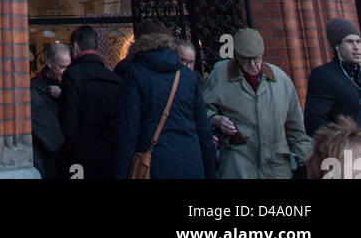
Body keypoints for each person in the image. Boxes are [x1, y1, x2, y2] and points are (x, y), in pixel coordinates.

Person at [203, 27, 311, 179]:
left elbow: (296, 129)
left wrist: (305, 163)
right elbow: (202, 110)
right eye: (246, 59)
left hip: (277, 168)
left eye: (257, 58)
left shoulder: (281, 80)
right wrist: (215, 120)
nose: (253, 64)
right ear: (237, 56)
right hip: (238, 165)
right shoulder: (220, 76)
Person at [114, 26, 217, 179]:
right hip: (191, 163)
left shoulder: (135, 73)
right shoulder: (188, 77)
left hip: (154, 165)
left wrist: (120, 173)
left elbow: (128, 131)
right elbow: (203, 131)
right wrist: (210, 173)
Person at [59, 25, 122, 179]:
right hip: (110, 154)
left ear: (74, 47)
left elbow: (69, 121)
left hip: (80, 156)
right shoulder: (115, 79)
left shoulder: (72, 76)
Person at [304, 18, 361, 135]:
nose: (356, 47)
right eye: (349, 42)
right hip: (346, 148)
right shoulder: (324, 75)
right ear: (337, 46)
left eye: (358, 41)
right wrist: (343, 139)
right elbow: (314, 120)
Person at [30, 42, 71, 179]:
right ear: (49, 63)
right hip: (47, 157)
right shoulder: (35, 88)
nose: (66, 72)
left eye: (68, 67)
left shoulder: (70, 86)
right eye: (62, 67)